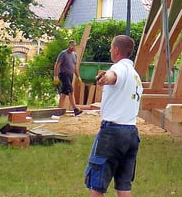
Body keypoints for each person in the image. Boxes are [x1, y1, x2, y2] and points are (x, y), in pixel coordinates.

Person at [84, 35, 143, 197]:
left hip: (112, 134)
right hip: (131, 133)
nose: (110, 50)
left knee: (96, 184)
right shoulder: (136, 76)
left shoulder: (119, 69)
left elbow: (112, 76)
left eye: (111, 48)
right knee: (124, 186)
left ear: (116, 51)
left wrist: (105, 78)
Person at [54, 39, 82, 116]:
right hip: (63, 74)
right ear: (69, 45)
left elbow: (75, 67)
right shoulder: (63, 54)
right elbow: (57, 65)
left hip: (70, 75)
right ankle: (75, 109)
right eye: (71, 45)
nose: (73, 47)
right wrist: (55, 76)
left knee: (64, 93)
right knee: (71, 91)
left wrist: (78, 77)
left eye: (74, 45)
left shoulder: (75, 55)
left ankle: (59, 109)